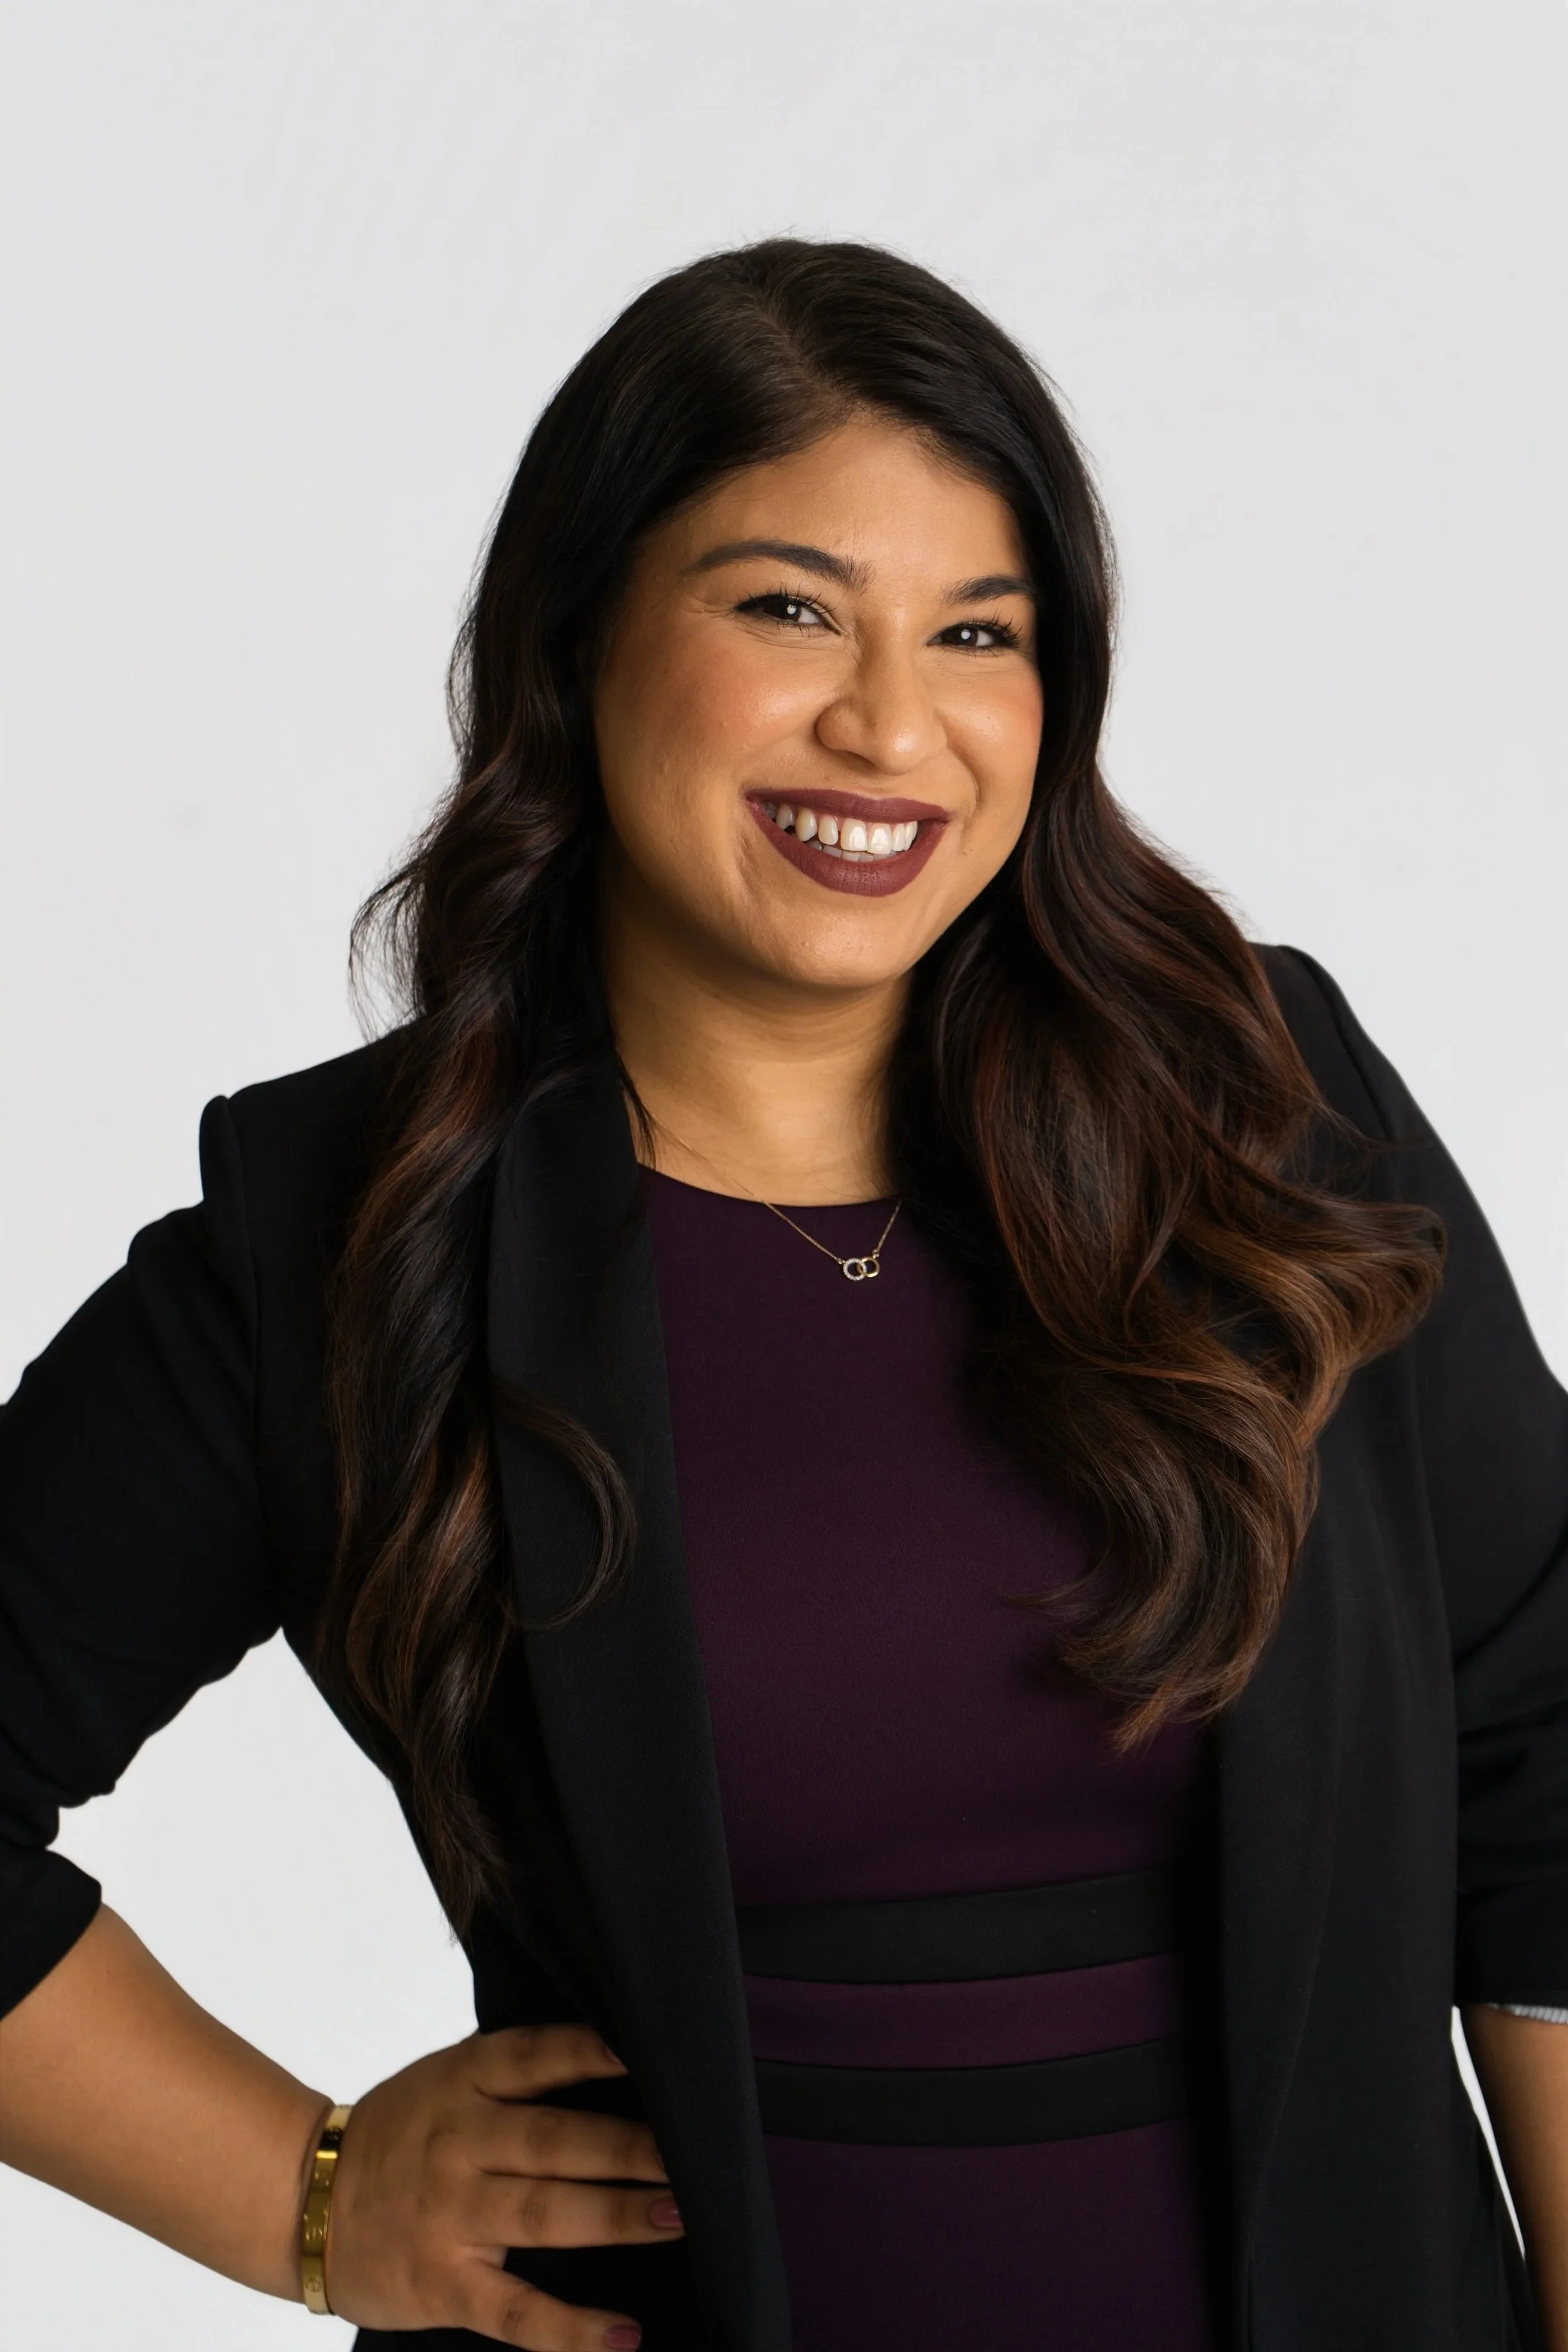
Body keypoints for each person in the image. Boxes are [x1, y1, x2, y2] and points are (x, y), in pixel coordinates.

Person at [0, 239, 1564, 2352]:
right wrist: (301, 2193)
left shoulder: (1264, 1117)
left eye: (978, 633)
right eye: (787, 608)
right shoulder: (347, 1237)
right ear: (578, 643)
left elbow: (1544, 1752)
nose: (888, 723)